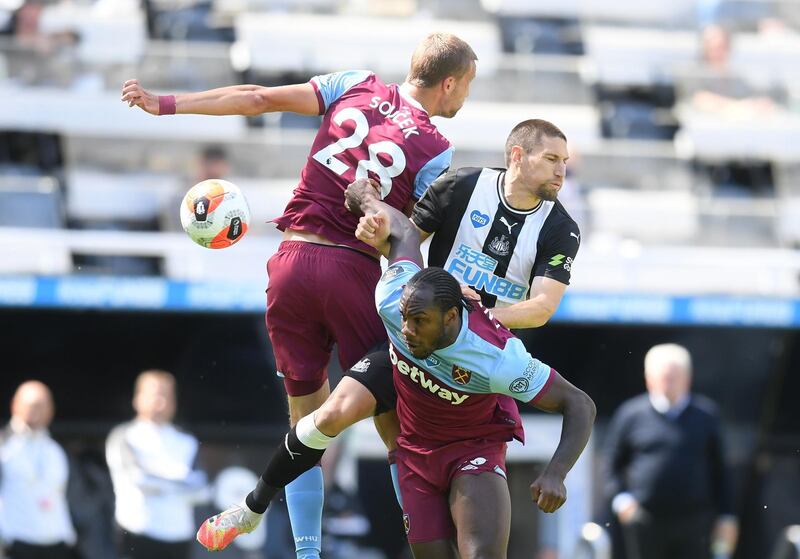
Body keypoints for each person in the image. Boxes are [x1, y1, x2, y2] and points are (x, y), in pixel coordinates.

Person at [122, 32, 477, 559]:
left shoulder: (355, 84)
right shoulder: (436, 151)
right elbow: (405, 237)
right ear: (448, 83)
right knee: (398, 425)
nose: (464, 99)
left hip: (289, 265)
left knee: (305, 427)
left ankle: (306, 554)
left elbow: (258, 98)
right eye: (466, 87)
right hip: (351, 273)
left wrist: (165, 104)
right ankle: (429, 551)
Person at [196, 118, 581, 552]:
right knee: (329, 415)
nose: (561, 170)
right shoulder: (462, 186)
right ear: (517, 155)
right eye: (551, 159)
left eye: (564, 161)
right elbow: (402, 238)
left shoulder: (560, 227)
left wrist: (478, 312)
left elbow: (544, 307)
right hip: (415, 341)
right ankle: (251, 509)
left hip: (474, 362)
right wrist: (375, 231)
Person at [603, 344, 739, 559]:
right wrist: (623, 502)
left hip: (695, 522)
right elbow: (611, 465)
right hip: (644, 521)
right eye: (662, 377)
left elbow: (720, 470)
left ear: (688, 378)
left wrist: (726, 515)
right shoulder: (630, 414)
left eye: (673, 377)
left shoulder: (706, 415)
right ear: (648, 378)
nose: (668, 383)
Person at [106, 370, 208, 559]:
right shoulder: (124, 436)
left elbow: (201, 489)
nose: (161, 402)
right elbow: (138, 479)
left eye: (167, 396)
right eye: (155, 395)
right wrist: (178, 479)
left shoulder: (187, 442)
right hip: (137, 534)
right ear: (137, 398)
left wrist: (158, 476)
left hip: (179, 538)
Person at [0, 381, 77, 559]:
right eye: (32, 405)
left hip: (57, 545)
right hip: (16, 544)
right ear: (15, 405)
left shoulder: (56, 450)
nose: (38, 410)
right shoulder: (4, 446)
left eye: (44, 405)